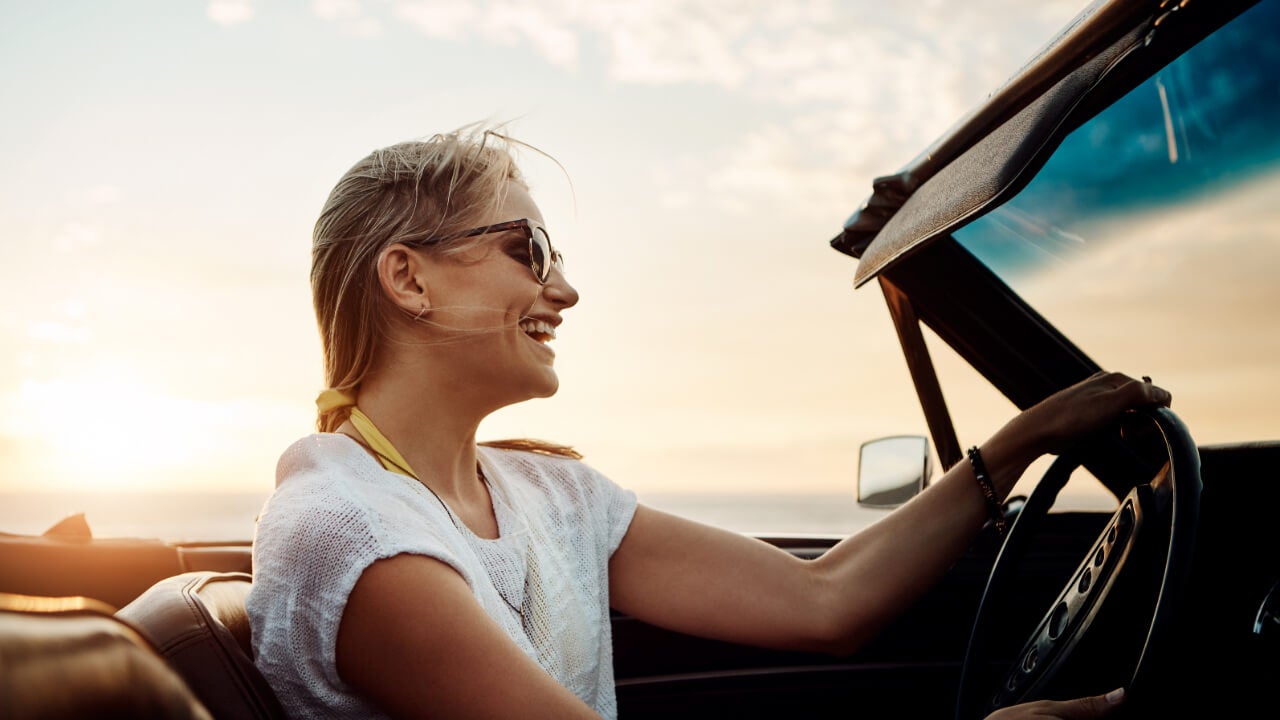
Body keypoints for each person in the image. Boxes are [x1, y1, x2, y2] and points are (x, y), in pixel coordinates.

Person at [245, 125, 1169, 720]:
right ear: (408, 278)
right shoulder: (353, 533)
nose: (565, 290)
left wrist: (1019, 442)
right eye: (530, 250)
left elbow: (825, 602)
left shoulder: (550, 495)